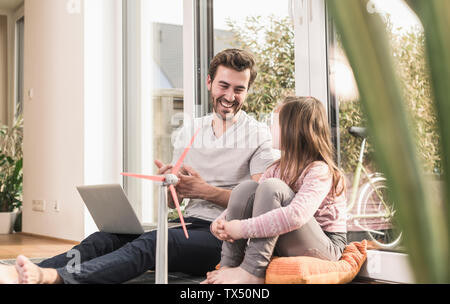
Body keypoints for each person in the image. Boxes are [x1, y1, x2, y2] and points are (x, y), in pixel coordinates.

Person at [0, 49, 276, 284]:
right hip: (186, 224)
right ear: (209, 83)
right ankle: (26, 271)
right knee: (106, 238)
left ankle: (58, 278)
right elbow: (174, 204)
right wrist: (172, 189)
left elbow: (259, 203)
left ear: (247, 91)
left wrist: (205, 191)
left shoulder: (258, 135)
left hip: (224, 237)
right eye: (223, 86)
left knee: (155, 243)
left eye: (239, 89)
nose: (230, 96)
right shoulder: (193, 129)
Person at [203, 96, 348, 284]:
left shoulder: (319, 170)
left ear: (293, 130)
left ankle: (252, 271)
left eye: (275, 123)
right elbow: (248, 200)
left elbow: (295, 215)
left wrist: (241, 229)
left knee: (272, 188)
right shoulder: (275, 169)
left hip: (325, 246)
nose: (269, 128)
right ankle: (228, 266)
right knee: (248, 188)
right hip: (290, 240)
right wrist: (221, 222)